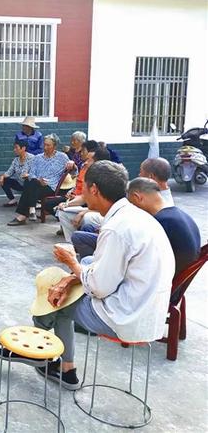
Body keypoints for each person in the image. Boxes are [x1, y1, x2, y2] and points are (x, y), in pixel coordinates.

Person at [31, 161, 174, 389]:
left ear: (94, 189)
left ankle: (42, 351)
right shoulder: (135, 216)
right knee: (74, 276)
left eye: (84, 188)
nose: (82, 194)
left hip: (125, 317)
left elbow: (98, 287)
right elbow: (101, 268)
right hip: (149, 309)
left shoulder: (116, 228)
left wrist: (71, 262)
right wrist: (71, 277)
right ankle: (49, 351)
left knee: (54, 301)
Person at [127, 177, 200, 280]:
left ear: (137, 197)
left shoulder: (161, 222)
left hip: (165, 282)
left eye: (131, 203)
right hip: (180, 278)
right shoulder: (180, 214)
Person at [7, 134, 69, 226]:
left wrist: (73, 164)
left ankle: (24, 214)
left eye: (48, 145)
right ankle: (31, 209)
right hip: (36, 184)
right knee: (30, 181)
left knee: (29, 185)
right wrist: (38, 180)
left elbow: (74, 172)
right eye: (44, 144)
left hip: (51, 186)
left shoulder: (62, 157)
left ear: (55, 146)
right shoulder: (38, 158)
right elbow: (32, 173)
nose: (45, 147)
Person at [55, 144, 111, 240]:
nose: (86, 162)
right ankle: (72, 243)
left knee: (87, 218)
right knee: (63, 212)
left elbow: (107, 209)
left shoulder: (109, 178)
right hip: (90, 210)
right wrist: (67, 204)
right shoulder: (91, 175)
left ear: (99, 163)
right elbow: (84, 197)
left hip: (105, 215)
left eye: (89, 160)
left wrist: (83, 213)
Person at [0, 139, 35, 207]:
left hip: (30, 184)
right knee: (4, 180)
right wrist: (1, 177)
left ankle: (36, 200)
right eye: (14, 148)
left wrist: (28, 175)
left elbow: (37, 173)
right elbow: (9, 172)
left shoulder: (32, 158)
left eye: (16, 148)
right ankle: (12, 200)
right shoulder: (16, 160)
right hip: (20, 183)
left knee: (29, 180)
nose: (14, 150)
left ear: (23, 148)